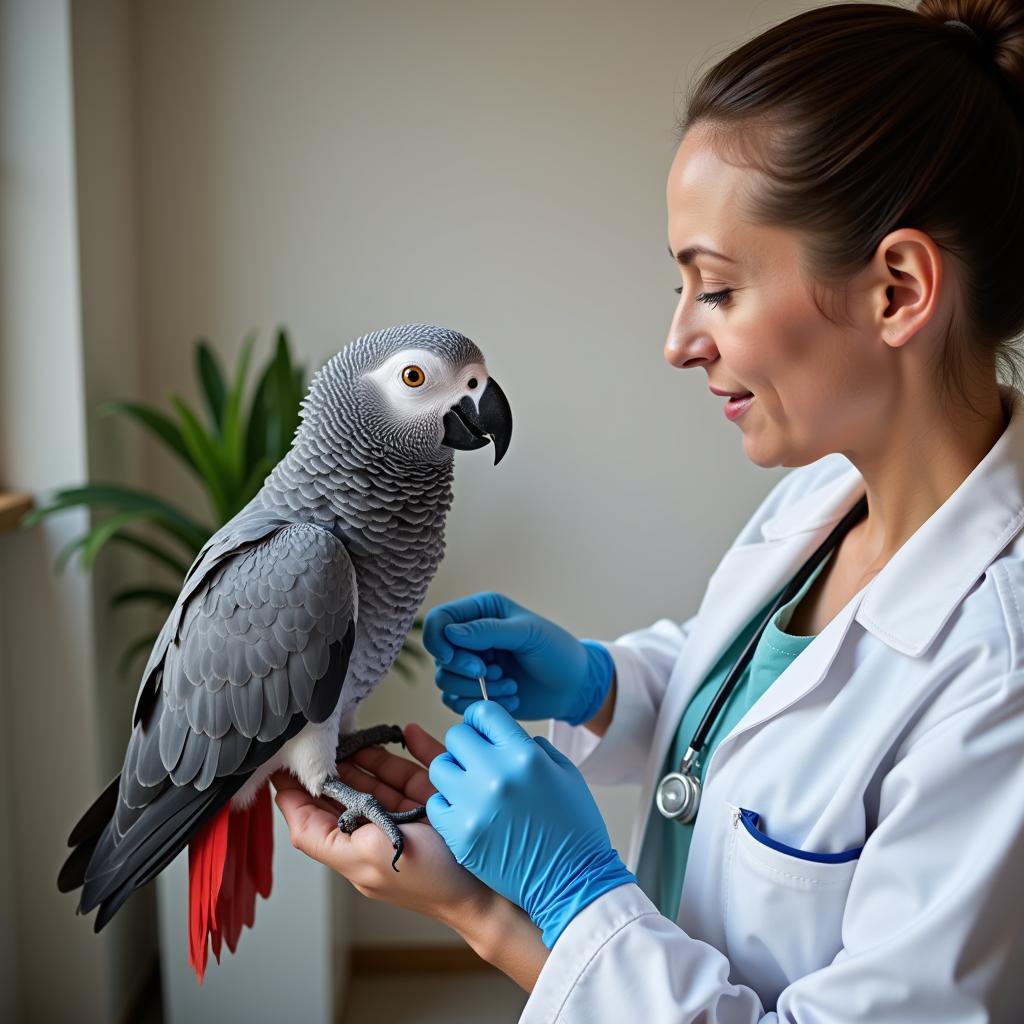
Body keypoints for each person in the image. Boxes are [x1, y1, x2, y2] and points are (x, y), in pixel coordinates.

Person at [272, 1, 1024, 1018]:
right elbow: (755, 704)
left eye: (713, 289)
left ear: (895, 289)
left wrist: (533, 907)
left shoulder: (999, 676)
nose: (678, 341)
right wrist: (601, 684)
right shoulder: (821, 495)